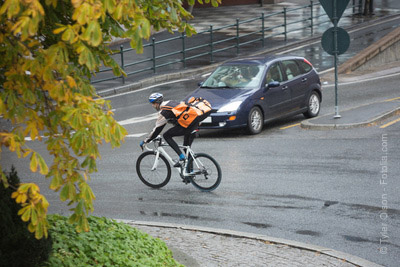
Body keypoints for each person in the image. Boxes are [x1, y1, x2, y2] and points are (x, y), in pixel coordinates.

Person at [140, 93, 206, 167]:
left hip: (187, 126)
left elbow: (157, 129)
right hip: (194, 123)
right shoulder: (171, 102)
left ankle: (181, 157)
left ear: (157, 103)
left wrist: (146, 141)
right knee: (186, 148)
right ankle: (190, 173)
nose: (153, 106)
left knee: (166, 135)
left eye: (153, 103)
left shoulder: (164, 112)